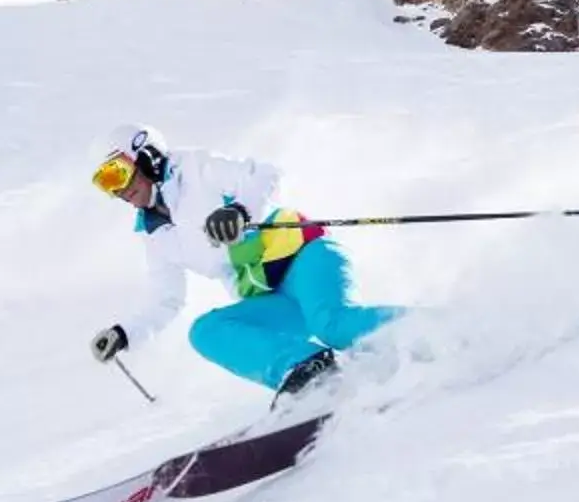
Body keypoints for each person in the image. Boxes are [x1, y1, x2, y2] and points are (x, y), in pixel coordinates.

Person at [87, 127, 395, 401]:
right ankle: (312, 370)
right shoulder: (154, 234)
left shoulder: (196, 168)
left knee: (332, 324)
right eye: (106, 184)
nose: (119, 190)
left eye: (117, 174)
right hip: (269, 297)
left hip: (304, 255)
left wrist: (240, 210)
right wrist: (125, 333)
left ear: (146, 157)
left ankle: (428, 333)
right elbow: (167, 299)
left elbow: (266, 174)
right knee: (207, 331)